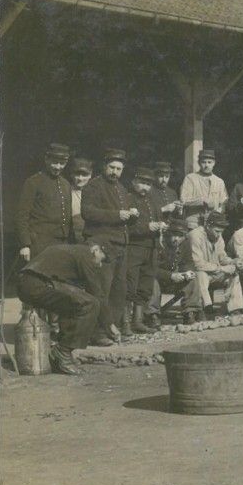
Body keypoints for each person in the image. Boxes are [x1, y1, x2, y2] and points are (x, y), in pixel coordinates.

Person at [18, 240, 116, 374]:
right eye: (102, 260)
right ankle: (63, 353)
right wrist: (109, 324)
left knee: (74, 303)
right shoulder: (86, 256)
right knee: (90, 304)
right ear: (96, 250)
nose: (100, 265)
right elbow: (97, 293)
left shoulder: (73, 251)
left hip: (29, 283)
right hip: (37, 284)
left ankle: (60, 354)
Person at [81, 147, 134, 346]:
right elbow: (87, 212)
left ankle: (113, 328)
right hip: (102, 245)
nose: (115, 172)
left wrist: (132, 214)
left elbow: (123, 216)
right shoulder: (93, 186)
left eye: (119, 169)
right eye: (112, 167)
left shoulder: (121, 189)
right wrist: (117, 215)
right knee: (100, 289)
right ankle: (97, 332)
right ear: (104, 166)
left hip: (120, 245)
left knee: (119, 290)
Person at [123, 166, 168, 335]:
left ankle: (138, 321)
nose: (145, 187)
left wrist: (161, 226)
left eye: (148, 184)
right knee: (130, 285)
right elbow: (125, 228)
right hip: (134, 248)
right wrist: (147, 227)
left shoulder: (152, 201)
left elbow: (158, 219)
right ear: (134, 182)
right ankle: (125, 323)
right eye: (142, 183)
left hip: (151, 248)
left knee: (145, 285)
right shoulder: (127, 199)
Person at [182, 211, 243, 322]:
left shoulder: (218, 237)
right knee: (200, 275)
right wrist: (222, 268)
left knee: (234, 273)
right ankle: (206, 307)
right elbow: (197, 264)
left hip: (213, 272)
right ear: (208, 226)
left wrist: (233, 262)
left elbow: (222, 258)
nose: (218, 235)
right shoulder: (195, 236)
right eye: (216, 231)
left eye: (221, 232)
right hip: (195, 274)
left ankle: (235, 308)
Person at [17, 143, 73, 262]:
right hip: (39, 244)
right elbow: (22, 215)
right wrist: (25, 244)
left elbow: (68, 218)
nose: (58, 167)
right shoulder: (33, 182)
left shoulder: (66, 184)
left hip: (62, 244)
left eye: (62, 163)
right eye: (55, 162)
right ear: (46, 159)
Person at [146, 218, 195, 327]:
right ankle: (152, 314)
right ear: (168, 234)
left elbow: (189, 262)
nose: (176, 238)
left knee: (193, 279)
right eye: (174, 235)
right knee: (152, 281)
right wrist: (171, 276)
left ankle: (190, 311)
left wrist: (187, 272)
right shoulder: (160, 243)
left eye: (180, 236)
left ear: (185, 236)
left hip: (175, 279)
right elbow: (152, 269)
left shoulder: (185, 243)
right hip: (160, 279)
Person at [180, 149, 227, 229]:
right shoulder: (190, 178)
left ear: (214, 163)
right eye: (203, 162)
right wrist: (201, 201)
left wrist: (216, 213)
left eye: (209, 162)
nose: (206, 165)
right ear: (199, 163)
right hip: (194, 223)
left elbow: (223, 204)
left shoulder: (219, 182)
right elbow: (183, 201)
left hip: (213, 225)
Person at [68, 157, 93, 243]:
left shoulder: (95, 193)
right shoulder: (66, 192)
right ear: (71, 174)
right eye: (77, 174)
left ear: (90, 175)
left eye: (84, 175)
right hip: (71, 239)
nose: (80, 178)